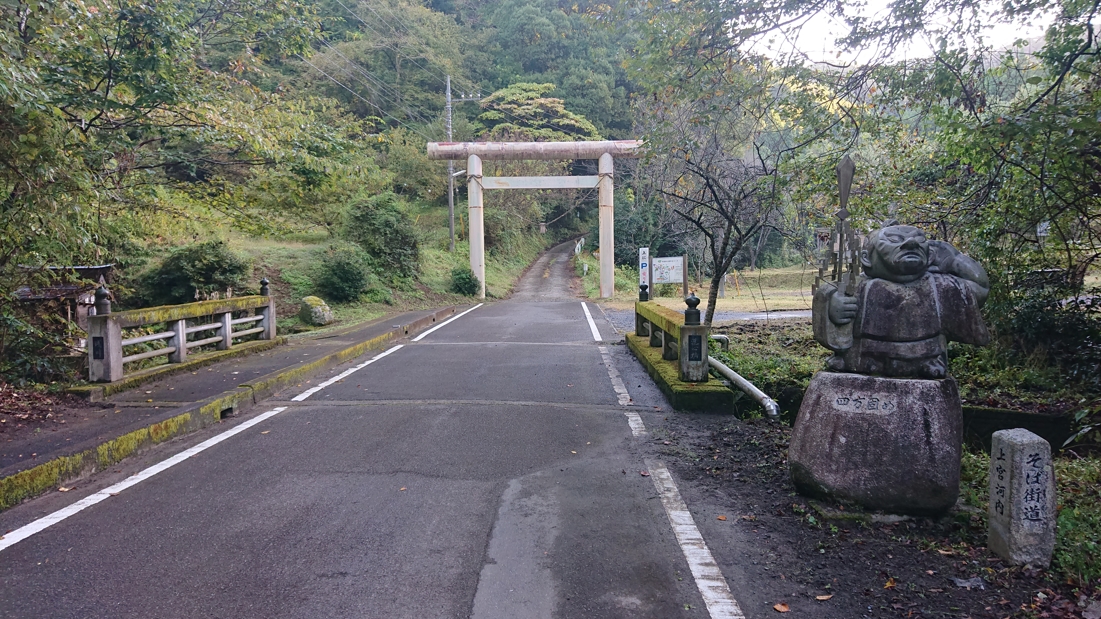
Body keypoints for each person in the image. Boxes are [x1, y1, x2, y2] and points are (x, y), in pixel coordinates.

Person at [813, 222, 990, 379]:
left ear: (929, 256)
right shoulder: (857, 287)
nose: (910, 243)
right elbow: (827, 293)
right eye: (894, 239)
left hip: (925, 359)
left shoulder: (940, 286)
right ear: (866, 258)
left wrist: (953, 259)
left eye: (919, 240)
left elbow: (980, 288)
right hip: (863, 357)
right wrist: (832, 304)